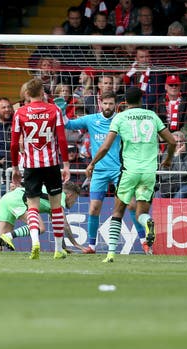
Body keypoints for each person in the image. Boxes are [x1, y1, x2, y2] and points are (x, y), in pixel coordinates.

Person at [86, 86, 176, 262]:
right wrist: (168, 160)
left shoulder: (120, 118)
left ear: (124, 102)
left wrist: (92, 163)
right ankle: (148, 221)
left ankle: (111, 253)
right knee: (141, 213)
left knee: (118, 211)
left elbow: (105, 147)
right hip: (149, 172)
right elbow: (172, 141)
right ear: (141, 100)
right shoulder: (152, 116)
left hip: (129, 171)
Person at [65, 91, 149, 254]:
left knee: (131, 205)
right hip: (99, 172)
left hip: (119, 170)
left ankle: (145, 241)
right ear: (100, 103)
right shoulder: (91, 119)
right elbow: (69, 124)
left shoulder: (122, 119)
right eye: (105, 103)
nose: (108, 106)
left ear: (115, 104)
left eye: (111, 104)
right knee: (94, 208)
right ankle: (91, 246)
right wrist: (61, 112)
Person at [9, 78, 71, 260]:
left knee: (33, 207)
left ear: (27, 93)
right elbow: (61, 140)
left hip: (31, 166)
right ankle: (58, 249)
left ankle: (35, 241)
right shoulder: (55, 110)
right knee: (56, 207)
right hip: (51, 165)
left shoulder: (20, 112)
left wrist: (14, 167)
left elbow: (13, 144)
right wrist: (66, 164)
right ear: (43, 92)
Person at [0, 182, 84, 252]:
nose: (73, 203)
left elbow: (58, 227)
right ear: (70, 195)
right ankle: (8, 236)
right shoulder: (59, 195)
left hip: (7, 198)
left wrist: (63, 247)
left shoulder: (50, 191)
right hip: (19, 200)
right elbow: (65, 224)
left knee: (1, 240)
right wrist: (76, 244)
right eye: (75, 199)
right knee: (40, 227)